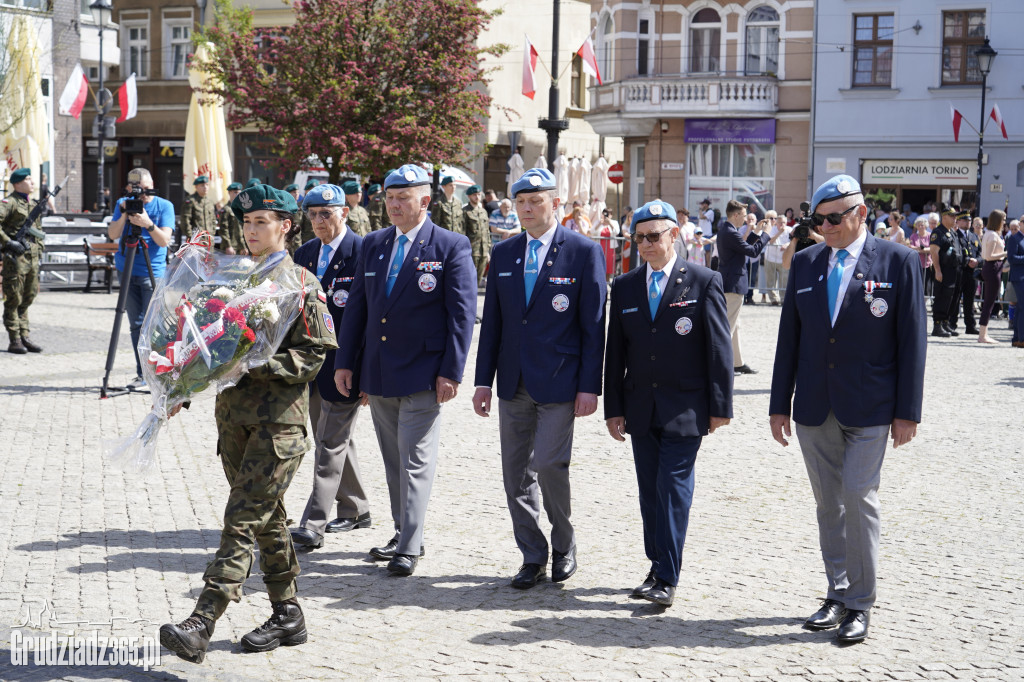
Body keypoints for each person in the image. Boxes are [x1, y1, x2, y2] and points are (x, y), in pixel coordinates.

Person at [159, 183, 336, 664]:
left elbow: (314, 354)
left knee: (241, 520)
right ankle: (288, 614)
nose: (253, 230)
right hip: (234, 425)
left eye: (263, 221)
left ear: (285, 226)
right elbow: (207, 351)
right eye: (248, 222)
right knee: (266, 520)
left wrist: (257, 364)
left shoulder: (301, 284)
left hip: (278, 428)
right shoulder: (234, 283)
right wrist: (182, 386)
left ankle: (202, 620)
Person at [768, 174, 927, 644]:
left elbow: (912, 341)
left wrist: (908, 411)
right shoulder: (807, 262)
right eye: (820, 219)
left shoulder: (900, 261)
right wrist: (780, 404)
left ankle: (860, 601)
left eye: (836, 217)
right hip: (816, 405)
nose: (827, 226)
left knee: (859, 497)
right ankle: (837, 592)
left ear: (861, 213)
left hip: (872, 405)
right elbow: (789, 340)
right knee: (828, 505)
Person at [334, 164, 476, 577]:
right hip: (378, 372)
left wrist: (451, 370)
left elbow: (462, 314)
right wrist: (346, 361)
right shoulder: (374, 244)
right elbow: (357, 308)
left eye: (403, 198)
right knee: (393, 460)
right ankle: (402, 532)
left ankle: (409, 545)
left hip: (423, 372)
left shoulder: (450, 245)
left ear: (425, 201)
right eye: (390, 198)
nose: (394, 205)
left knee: (415, 459)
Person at [472, 167, 606, 590]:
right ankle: (532, 554)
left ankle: (564, 544)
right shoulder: (506, 253)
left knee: (548, 464)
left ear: (555, 204)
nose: (527, 209)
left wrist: (590, 385)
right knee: (515, 475)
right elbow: (491, 322)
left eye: (536, 201)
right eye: (522, 202)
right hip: (513, 381)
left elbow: (593, 327)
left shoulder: (583, 252)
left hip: (561, 380)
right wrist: (482, 381)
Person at [604, 199, 733, 607]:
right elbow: (616, 354)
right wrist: (614, 408)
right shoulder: (624, 286)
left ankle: (666, 576)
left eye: (653, 236)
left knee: (672, 489)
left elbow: (718, 347)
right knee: (649, 493)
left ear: (674, 234)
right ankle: (657, 563)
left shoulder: (703, 280)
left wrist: (720, 407)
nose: (644, 244)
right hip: (640, 407)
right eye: (638, 237)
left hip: (686, 407)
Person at [289, 183, 372, 550]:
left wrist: (367, 371)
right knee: (336, 439)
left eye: (326, 213)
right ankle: (356, 508)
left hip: (346, 365)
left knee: (328, 442)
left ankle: (314, 522)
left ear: (345, 212)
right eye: (312, 215)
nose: (319, 222)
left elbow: (371, 317)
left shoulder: (364, 251)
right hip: (311, 366)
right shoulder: (305, 253)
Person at [106, 168, 175, 386]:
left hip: (152, 271)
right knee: (136, 325)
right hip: (126, 269)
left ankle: (158, 372)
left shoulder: (164, 206)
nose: (142, 194)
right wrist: (126, 213)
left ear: (152, 183)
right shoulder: (123, 204)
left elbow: (164, 240)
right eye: (137, 190)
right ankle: (142, 373)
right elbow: (113, 234)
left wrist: (148, 224)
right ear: (129, 188)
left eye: (146, 189)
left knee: (154, 325)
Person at [717, 199, 769, 375]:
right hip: (732, 284)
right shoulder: (730, 232)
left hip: (730, 282)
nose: (746, 219)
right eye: (745, 216)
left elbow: (744, 247)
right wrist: (765, 235)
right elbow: (752, 251)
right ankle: (722, 366)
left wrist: (757, 232)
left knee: (734, 326)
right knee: (728, 328)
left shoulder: (728, 230)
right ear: (736, 215)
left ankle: (737, 363)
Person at [0, 168, 47, 354]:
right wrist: (9, 243)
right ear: (17, 183)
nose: (32, 182)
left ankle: (24, 335)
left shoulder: (33, 204)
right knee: (14, 298)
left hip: (32, 258)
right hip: (16, 259)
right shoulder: (9, 202)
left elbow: (39, 232)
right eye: (28, 179)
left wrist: (40, 250)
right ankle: (15, 339)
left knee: (28, 297)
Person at [928, 208, 961, 337]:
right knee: (942, 297)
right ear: (944, 217)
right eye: (952, 216)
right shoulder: (938, 232)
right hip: (943, 270)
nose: (955, 219)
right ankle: (937, 325)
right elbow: (934, 252)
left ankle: (945, 322)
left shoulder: (951, 232)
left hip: (954, 271)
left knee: (951, 298)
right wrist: (937, 271)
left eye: (955, 217)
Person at [977, 209, 1007, 344]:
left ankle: (983, 333)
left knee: (989, 302)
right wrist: (1006, 254)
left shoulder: (989, 233)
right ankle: (982, 335)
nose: (1004, 222)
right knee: (989, 302)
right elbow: (989, 256)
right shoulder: (993, 235)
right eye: (1003, 219)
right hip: (992, 267)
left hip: (992, 268)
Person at [948, 211, 981, 335]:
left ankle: (970, 325)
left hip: (971, 273)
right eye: (965, 220)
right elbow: (954, 253)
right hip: (959, 271)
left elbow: (980, 253)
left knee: (969, 300)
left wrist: (977, 261)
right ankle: (952, 323)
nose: (968, 223)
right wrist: (967, 261)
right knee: (955, 298)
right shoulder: (954, 235)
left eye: (969, 220)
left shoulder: (974, 236)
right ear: (958, 222)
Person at [462, 184, 490, 287]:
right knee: (468, 278)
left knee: (478, 280)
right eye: (474, 195)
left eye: (478, 194)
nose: (477, 197)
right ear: (469, 196)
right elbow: (462, 232)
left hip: (483, 251)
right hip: (471, 250)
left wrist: (487, 251)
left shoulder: (483, 212)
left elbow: (487, 232)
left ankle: (474, 299)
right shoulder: (465, 211)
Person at [763, 211, 791, 305]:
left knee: (784, 280)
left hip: (783, 259)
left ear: (786, 223)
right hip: (770, 258)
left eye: (783, 222)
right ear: (776, 223)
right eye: (780, 222)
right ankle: (773, 299)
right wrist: (779, 232)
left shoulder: (790, 230)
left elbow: (793, 241)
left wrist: (787, 244)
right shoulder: (771, 229)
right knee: (770, 280)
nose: (782, 224)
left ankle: (783, 299)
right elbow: (770, 241)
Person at [180, 176, 218, 243]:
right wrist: (191, 236)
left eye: (207, 185)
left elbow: (213, 220)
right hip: (196, 240)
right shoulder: (190, 201)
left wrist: (212, 233)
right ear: (196, 187)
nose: (205, 187)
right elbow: (185, 220)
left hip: (209, 240)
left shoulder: (210, 202)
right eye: (202, 185)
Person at [1006, 221, 1024, 347]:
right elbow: (1011, 258)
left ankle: (1017, 338)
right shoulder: (1014, 238)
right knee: (1022, 308)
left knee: (1020, 308)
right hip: (1019, 277)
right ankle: (1020, 338)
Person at [216, 182, 247, 255]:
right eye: (235, 192)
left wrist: (243, 246)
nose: (237, 195)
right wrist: (228, 246)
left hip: (240, 246)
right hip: (230, 247)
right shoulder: (226, 209)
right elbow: (223, 229)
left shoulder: (241, 209)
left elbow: (242, 229)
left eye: (239, 193)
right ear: (229, 193)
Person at [908, 216, 933, 296]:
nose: (920, 227)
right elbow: (910, 247)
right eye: (918, 225)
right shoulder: (913, 236)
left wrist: (921, 250)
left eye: (922, 225)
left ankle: (925, 302)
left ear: (926, 226)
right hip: (917, 263)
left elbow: (932, 247)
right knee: (917, 282)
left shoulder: (930, 235)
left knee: (926, 284)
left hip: (927, 263)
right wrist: (920, 249)